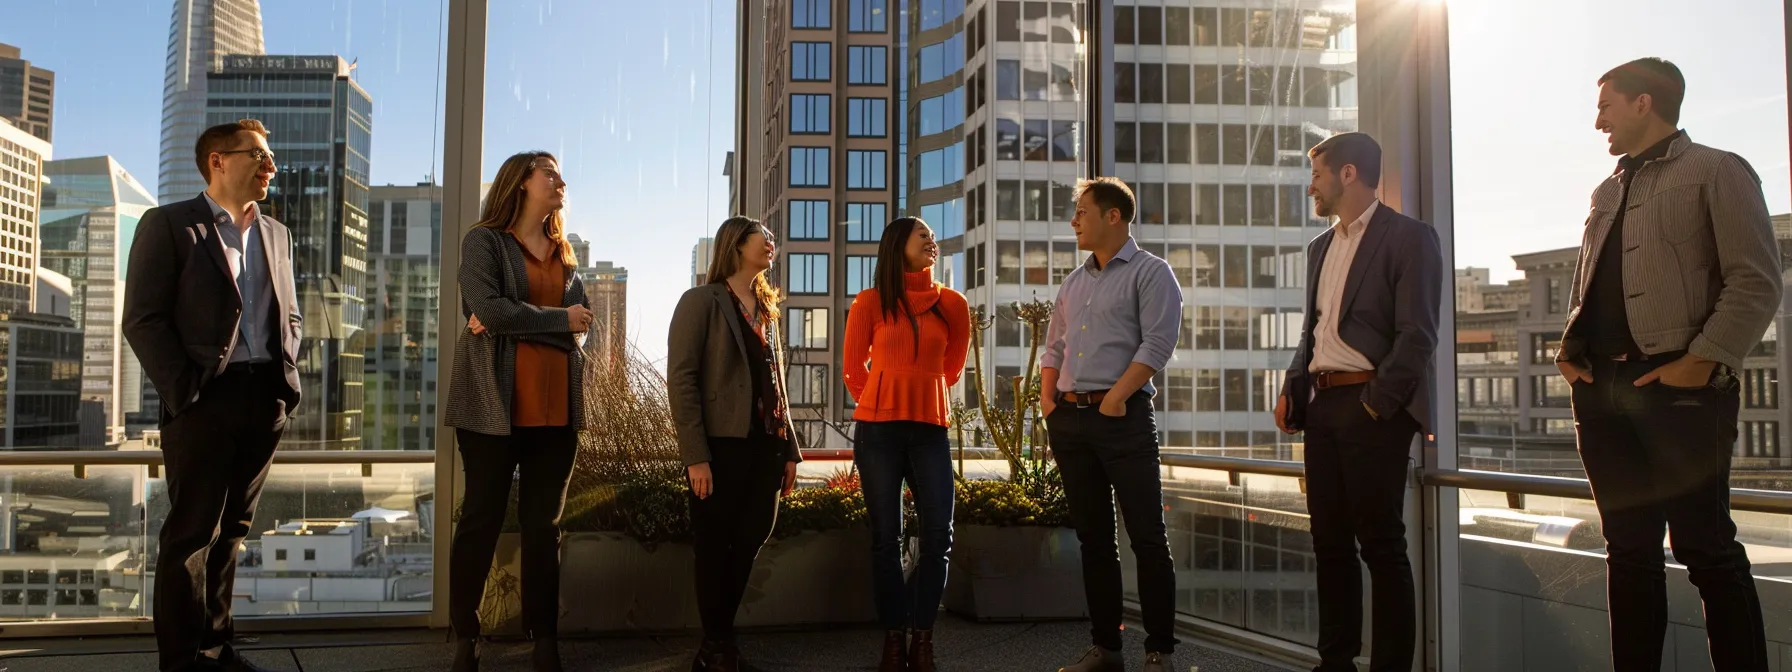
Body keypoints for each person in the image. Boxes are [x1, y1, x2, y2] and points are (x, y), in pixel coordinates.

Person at [1556, 57, 1777, 671]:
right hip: (1601, 392)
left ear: (1643, 103)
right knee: (1627, 552)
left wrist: (1700, 361)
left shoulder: (1718, 169)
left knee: (1706, 550)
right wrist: (1568, 358)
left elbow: (1756, 283)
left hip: (1681, 390)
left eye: (1605, 106)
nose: (1597, 119)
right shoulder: (1605, 190)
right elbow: (1584, 290)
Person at [123, 118, 300, 672]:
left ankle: (215, 647)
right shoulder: (169, 225)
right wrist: (187, 392)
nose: (270, 164)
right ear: (218, 161)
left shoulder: (276, 233)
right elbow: (144, 320)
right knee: (191, 535)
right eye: (258, 155)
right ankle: (180, 662)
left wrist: (286, 377)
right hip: (203, 400)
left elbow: (288, 311)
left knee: (234, 533)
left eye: (270, 156)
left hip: (264, 398)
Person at [1274, 132, 1442, 672]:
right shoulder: (1320, 246)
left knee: (1382, 545)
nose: (1311, 187)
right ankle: (1336, 662)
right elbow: (1314, 330)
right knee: (1329, 544)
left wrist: (1376, 404)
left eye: (1317, 174)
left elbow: (1418, 333)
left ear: (1349, 174)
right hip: (1322, 407)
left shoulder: (1410, 237)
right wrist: (1292, 386)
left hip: (1371, 409)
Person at [443, 151, 593, 672]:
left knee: (543, 528)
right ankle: (466, 635)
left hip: (558, 413)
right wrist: (558, 320)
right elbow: (488, 309)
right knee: (480, 520)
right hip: (492, 409)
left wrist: (522, 319)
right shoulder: (484, 241)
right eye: (549, 173)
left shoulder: (565, 254)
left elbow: (581, 324)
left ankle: (545, 639)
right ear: (520, 182)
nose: (560, 180)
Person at [1040, 177, 1182, 672]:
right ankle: (1107, 650)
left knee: (1147, 537)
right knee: (1094, 541)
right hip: (1071, 421)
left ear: (1113, 217)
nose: (1074, 220)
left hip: (1123, 419)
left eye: (1081, 211)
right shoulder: (1074, 282)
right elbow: (1054, 346)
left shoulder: (1151, 272)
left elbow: (1158, 345)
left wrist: (1117, 399)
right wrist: (1048, 399)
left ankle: (1159, 652)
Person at [667, 216, 803, 672]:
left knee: (751, 537)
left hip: (766, 446)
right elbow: (682, 380)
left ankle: (716, 645)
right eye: (761, 237)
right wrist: (696, 458)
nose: (771, 243)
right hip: (719, 447)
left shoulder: (767, 309)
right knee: (714, 544)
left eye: (771, 239)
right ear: (735, 244)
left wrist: (790, 450)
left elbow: (777, 385)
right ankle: (719, 648)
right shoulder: (701, 301)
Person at [842, 217, 971, 672]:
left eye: (934, 237)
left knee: (939, 535)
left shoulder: (953, 304)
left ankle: (924, 638)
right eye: (924, 236)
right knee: (886, 540)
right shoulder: (870, 302)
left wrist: (918, 394)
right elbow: (854, 371)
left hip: (931, 430)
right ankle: (894, 640)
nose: (933, 241)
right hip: (878, 433)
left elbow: (952, 367)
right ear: (898, 246)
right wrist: (883, 401)